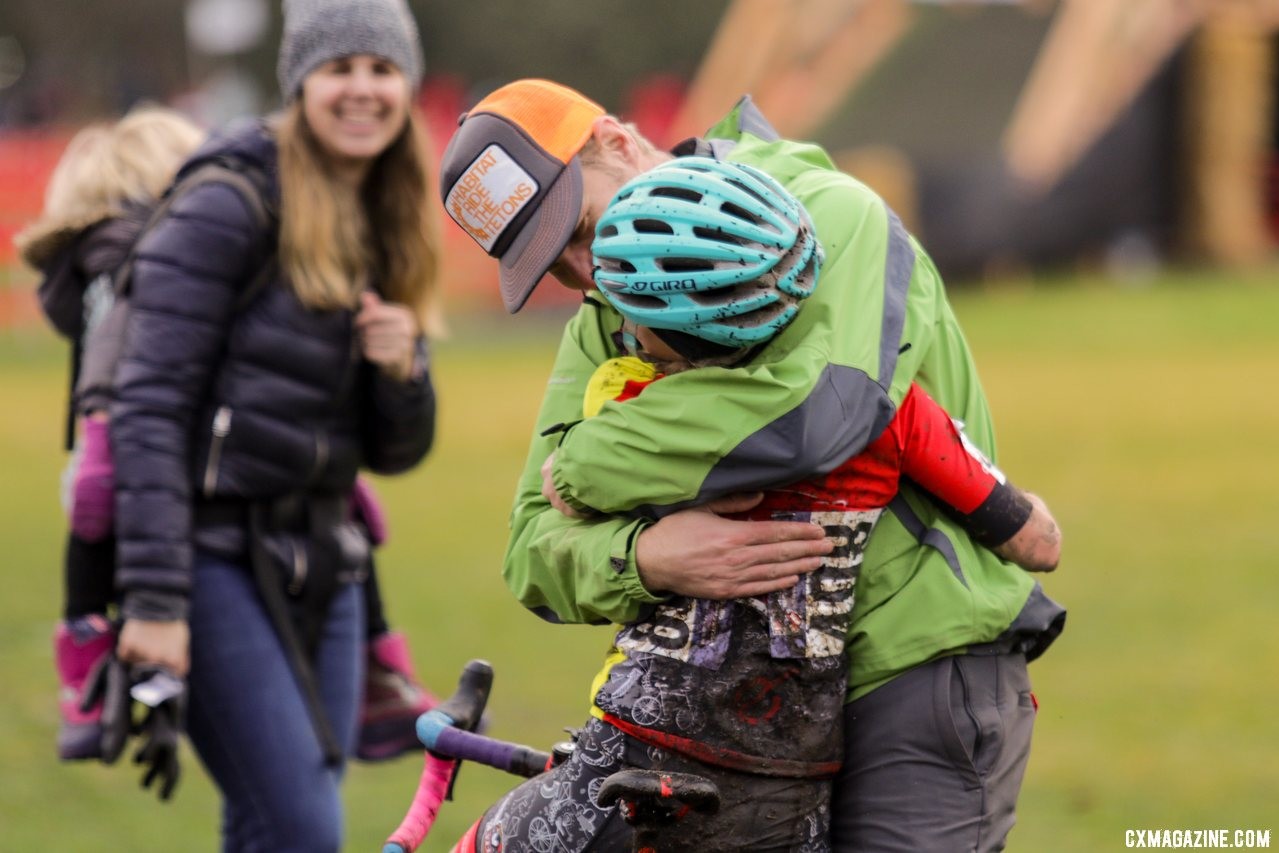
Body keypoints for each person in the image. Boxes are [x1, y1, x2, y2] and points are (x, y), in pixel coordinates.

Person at [437, 79, 1066, 850]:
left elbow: (820, 415)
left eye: (583, 227)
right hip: (739, 727)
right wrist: (646, 557)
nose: (590, 275)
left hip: (917, 668)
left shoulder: (829, 211)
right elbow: (531, 549)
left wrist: (582, 463)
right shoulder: (606, 309)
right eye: (556, 267)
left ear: (616, 140)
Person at [103, 0, 437, 846]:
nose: (362, 89)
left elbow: (395, 452)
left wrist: (401, 370)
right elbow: (144, 403)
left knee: (278, 820)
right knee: (299, 825)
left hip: (325, 562)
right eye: (340, 68)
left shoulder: (385, 211)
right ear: (299, 81)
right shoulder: (230, 200)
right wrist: (152, 599)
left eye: (382, 68)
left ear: (406, 84)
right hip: (211, 558)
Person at [14, 104, 437, 770]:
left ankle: (86, 647)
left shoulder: (120, 269)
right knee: (290, 812)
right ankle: (379, 662)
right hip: (211, 524)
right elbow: (128, 407)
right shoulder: (151, 265)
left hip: (266, 513)